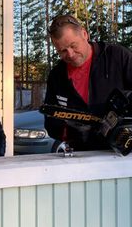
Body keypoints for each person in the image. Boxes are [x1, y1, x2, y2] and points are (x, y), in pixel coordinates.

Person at [44, 14, 132, 151]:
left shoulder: (118, 57)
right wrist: (71, 132)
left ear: (84, 34)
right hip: (83, 157)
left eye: (73, 45)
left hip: (123, 152)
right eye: (62, 51)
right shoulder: (57, 76)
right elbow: (51, 123)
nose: (70, 54)